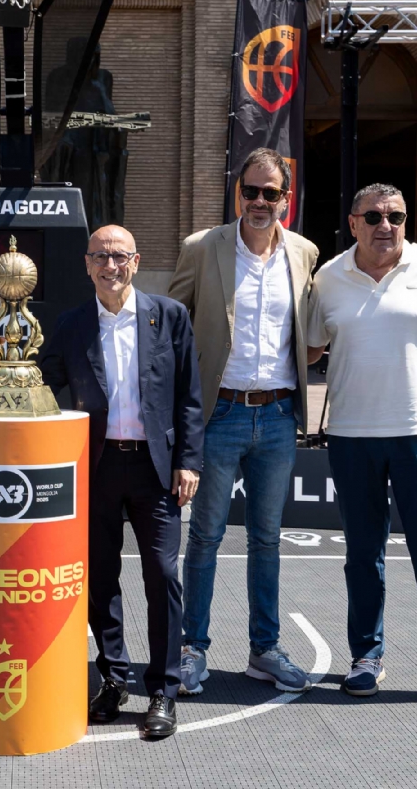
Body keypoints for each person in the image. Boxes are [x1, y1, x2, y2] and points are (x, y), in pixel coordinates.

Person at [0, 224, 203, 738]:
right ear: (86, 264)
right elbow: (42, 380)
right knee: (100, 579)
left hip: (156, 468)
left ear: (136, 261)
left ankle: (163, 691)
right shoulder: (72, 323)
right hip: (95, 467)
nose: (110, 265)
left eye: (120, 256)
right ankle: (114, 678)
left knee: (162, 576)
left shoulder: (170, 317)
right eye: (100, 256)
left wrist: (188, 460)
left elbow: (190, 393)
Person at [306, 183, 417, 715]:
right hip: (352, 435)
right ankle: (366, 658)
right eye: (373, 216)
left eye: (396, 216)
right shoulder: (328, 277)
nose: (386, 225)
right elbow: (305, 350)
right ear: (352, 222)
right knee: (363, 557)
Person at [167, 147, 317, 696]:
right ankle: (192, 649)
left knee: (267, 539)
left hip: (278, 415)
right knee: (204, 536)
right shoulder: (203, 247)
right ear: (238, 193)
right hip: (220, 412)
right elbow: (173, 327)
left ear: (285, 199)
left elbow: (312, 331)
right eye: (249, 191)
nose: (258, 201)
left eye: (269, 193)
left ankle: (264, 650)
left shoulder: (304, 253)